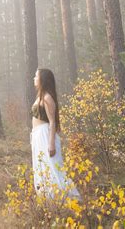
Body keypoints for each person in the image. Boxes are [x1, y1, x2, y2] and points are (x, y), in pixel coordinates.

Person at [30, 68, 81, 200]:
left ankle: (65, 198)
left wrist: (51, 143)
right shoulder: (41, 96)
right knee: (42, 166)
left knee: (52, 166)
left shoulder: (47, 98)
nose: (34, 79)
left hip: (45, 135)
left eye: (36, 76)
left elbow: (52, 122)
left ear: (43, 79)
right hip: (38, 135)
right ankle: (48, 199)